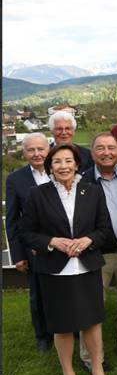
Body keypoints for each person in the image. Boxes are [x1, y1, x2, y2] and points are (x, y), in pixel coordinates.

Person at [20, 144, 113, 375]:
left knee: (92, 322)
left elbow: (104, 228)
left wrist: (88, 241)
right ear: (50, 166)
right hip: (54, 270)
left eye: (68, 161)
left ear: (77, 164)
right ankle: (68, 374)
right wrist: (52, 242)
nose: (63, 166)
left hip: (87, 266)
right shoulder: (37, 195)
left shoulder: (92, 192)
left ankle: (97, 369)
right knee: (62, 326)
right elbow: (26, 232)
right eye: (58, 162)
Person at [79, 133, 117, 367]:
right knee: (93, 306)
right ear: (92, 152)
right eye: (101, 148)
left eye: (111, 148)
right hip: (96, 253)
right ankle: (90, 357)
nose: (107, 152)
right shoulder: (82, 182)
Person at [5, 133, 52, 352]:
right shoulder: (16, 179)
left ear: (48, 149)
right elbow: (13, 221)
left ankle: (68, 329)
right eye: (31, 150)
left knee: (65, 291)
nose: (37, 154)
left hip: (64, 245)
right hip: (33, 249)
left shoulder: (61, 170)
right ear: (24, 153)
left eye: (40, 149)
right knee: (38, 294)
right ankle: (43, 335)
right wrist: (18, 255)